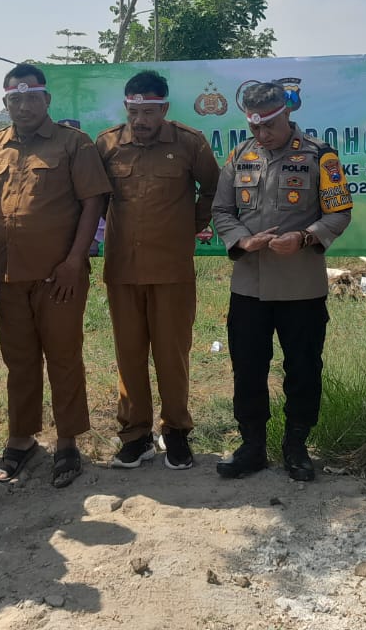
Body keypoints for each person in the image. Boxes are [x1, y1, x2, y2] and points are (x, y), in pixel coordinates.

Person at [211, 81, 352, 481]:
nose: (262, 134)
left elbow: (339, 213)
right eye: (255, 127)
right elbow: (222, 209)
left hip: (300, 288)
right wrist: (242, 239)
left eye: (269, 125)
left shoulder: (319, 156)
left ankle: (296, 446)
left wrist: (305, 237)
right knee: (248, 368)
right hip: (248, 288)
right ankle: (252, 446)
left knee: (303, 368)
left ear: (286, 112)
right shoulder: (240, 155)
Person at [0, 64, 110, 487]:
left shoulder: (74, 144)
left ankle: (67, 441)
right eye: (14, 99)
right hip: (8, 276)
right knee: (19, 361)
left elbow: (93, 203)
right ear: (5, 103)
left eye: (31, 97)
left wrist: (75, 260)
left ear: (47, 100)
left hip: (60, 277)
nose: (23, 106)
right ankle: (21, 439)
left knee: (64, 357)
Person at [95, 71, 221, 470]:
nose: (141, 120)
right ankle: (135, 436)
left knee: (172, 356)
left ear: (164, 108)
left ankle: (177, 434)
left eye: (150, 111)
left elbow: (215, 189)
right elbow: (94, 200)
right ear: (127, 108)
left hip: (172, 270)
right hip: (122, 270)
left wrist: (193, 225)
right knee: (129, 357)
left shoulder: (190, 143)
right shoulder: (108, 144)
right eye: (135, 111)